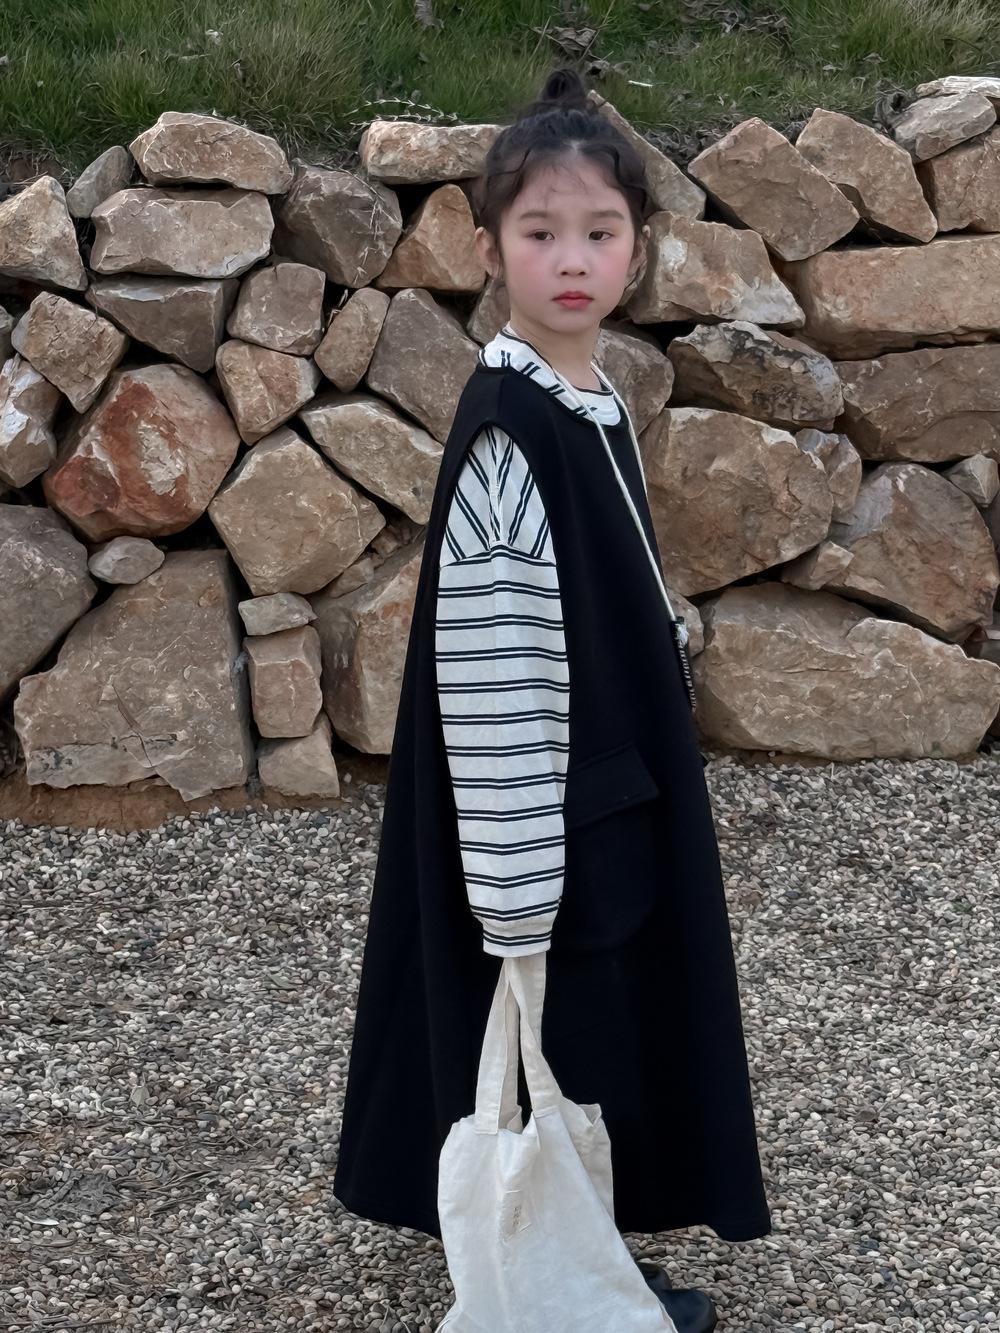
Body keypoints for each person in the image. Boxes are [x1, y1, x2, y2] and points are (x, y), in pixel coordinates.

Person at [332, 66, 771, 1330]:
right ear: (488, 249)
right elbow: (494, 666)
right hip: (547, 826)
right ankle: (550, 1290)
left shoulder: (587, 398)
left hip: (606, 800)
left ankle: (588, 1263)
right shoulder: (506, 435)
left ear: (638, 246)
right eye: (539, 233)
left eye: (599, 231)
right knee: (549, 1045)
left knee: (605, 1038)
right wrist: (516, 892)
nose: (571, 260)